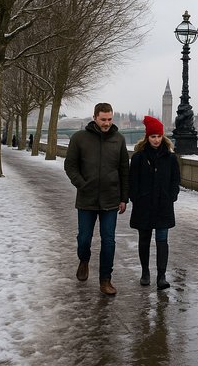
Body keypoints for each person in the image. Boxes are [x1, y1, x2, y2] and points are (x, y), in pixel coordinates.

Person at [64, 102, 129, 295]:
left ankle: (105, 280)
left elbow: (125, 170)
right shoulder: (79, 139)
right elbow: (70, 166)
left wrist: (124, 197)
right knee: (84, 238)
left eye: (110, 119)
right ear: (95, 118)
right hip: (87, 199)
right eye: (103, 119)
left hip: (111, 199)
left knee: (108, 241)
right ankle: (84, 260)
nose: (107, 123)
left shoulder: (119, 140)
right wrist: (82, 184)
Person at [129, 115, 180, 290]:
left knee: (162, 240)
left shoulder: (171, 158)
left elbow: (175, 180)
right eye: (153, 137)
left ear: (162, 136)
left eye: (158, 136)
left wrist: (171, 196)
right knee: (144, 240)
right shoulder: (138, 158)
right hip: (143, 205)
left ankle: (161, 277)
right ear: (147, 137)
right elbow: (132, 181)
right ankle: (145, 272)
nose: (156, 140)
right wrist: (136, 198)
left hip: (163, 205)